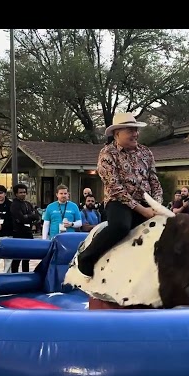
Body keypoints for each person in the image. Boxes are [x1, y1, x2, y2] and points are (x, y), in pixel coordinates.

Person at [76, 112, 163, 279]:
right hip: (119, 202)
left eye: (136, 130)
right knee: (121, 227)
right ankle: (86, 258)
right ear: (117, 134)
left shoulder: (146, 152)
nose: (135, 134)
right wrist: (142, 211)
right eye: (130, 130)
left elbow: (154, 180)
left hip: (146, 201)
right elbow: (115, 187)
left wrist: (156, 204)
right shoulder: (107, 154)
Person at [10, 183, 39, 273]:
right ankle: (14, 276)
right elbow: (20, 218)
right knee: (17, 257)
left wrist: (28, 217)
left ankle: (26, 275)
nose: (23, 194)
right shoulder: (14, 205)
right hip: (18, 233)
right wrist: (29, 217)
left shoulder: (28, 204)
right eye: (20, 192)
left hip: (28, 232)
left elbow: (36, 216)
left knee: (27, 257)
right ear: (16, 194)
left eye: (24, 192)